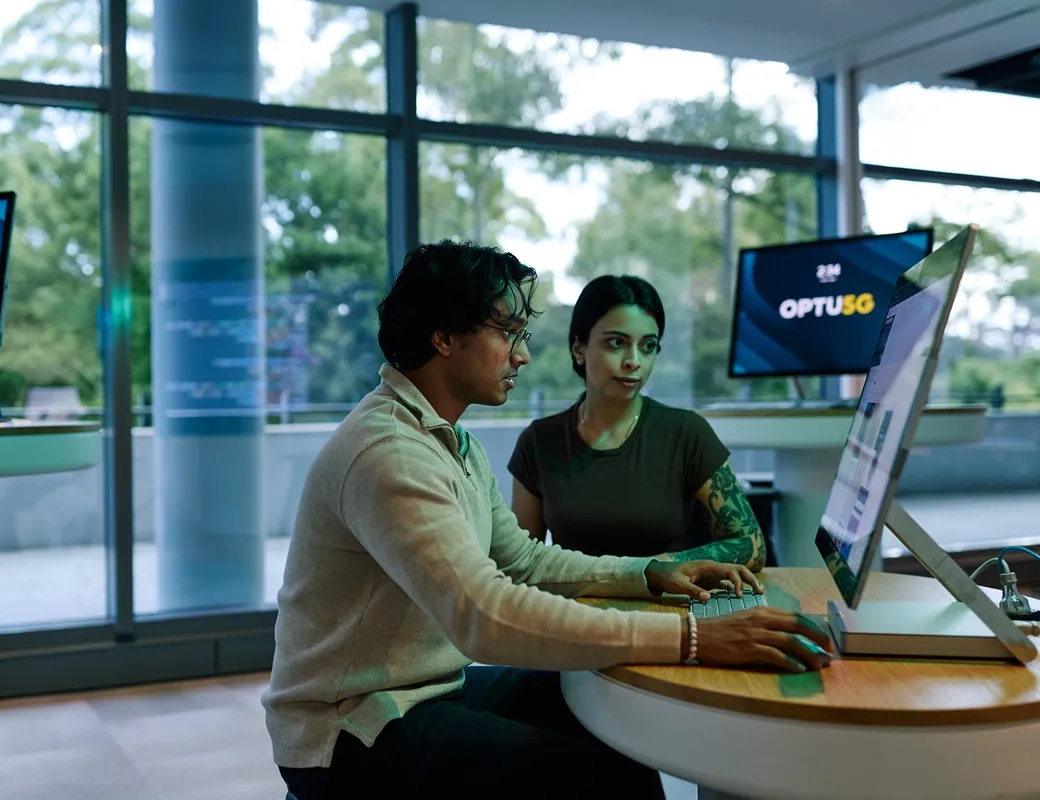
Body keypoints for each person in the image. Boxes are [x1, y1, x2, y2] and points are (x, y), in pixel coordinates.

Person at [262, 241, 833, 800]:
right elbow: (483, 614)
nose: (523, 355)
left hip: (424, 690)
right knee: (607, 778)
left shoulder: (451, 441)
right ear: (443, 338)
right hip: (352, 729)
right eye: (506, 332)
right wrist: (691, 638)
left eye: (522, 336)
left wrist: (647, 573)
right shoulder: (389, 452)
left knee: (602, 711)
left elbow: (524, 559)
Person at [510, 275, 767, 568]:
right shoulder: (540, 442)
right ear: (578, 347)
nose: (633, 361)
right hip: (577, 609)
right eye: (617, 343)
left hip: (667, 607)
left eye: (647, 346)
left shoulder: (685, 433)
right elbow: (521, 562)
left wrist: (656, 567)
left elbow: (752, 546)